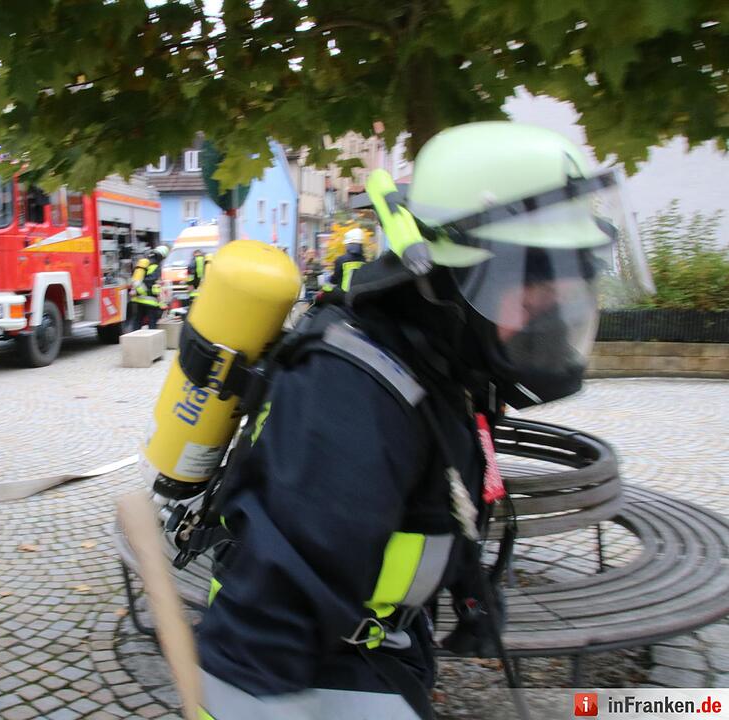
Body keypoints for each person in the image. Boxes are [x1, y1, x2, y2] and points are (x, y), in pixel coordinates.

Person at [188, 122, 642, 719]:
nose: (548, 317)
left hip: (384, 651)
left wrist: (469, 593)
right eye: (529, 293)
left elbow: (435, 496)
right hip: (324, 675)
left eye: (562, 293)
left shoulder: (443, 363)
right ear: (447, 276)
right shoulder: (349, 394)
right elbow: (257, 630)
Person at [128, 244, 168, 330]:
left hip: (137, 299)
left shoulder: (145, 263)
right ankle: (151, 342)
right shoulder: (156, 266)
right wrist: (158, 296)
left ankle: (134, 340)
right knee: (152, 322)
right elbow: (151, 282)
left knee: (137, 321)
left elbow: (138, 278)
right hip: (150, 300)